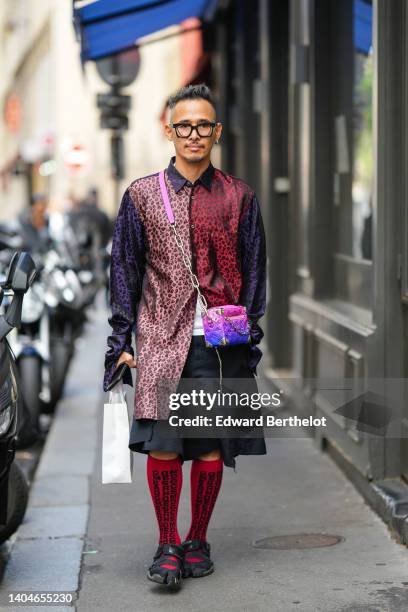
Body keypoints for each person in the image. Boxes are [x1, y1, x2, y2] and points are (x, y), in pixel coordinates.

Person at [103, 84, 267, 589]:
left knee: (213, 447)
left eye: (203, 126)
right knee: (165, 448)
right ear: (169, 131)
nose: (194, 134)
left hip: (221, 344)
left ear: (216, 132)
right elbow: (124, 271)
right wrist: (121, 342)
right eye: (184, 126)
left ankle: (198, 538)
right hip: (159, 341)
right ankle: (167, 542)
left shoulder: (239, 195)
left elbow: (255, 269)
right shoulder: (142, 195)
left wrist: (250, 338)